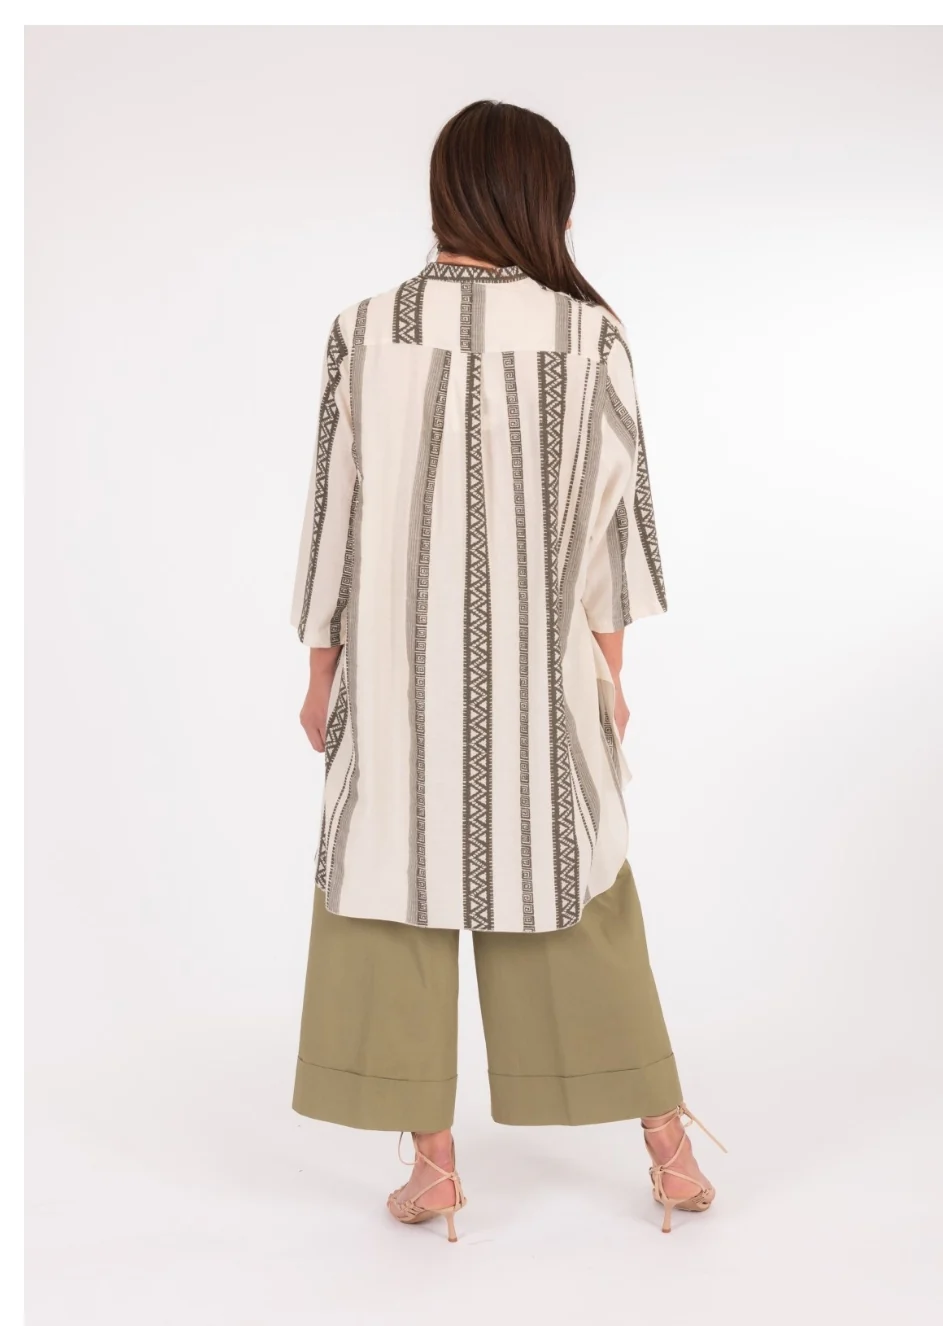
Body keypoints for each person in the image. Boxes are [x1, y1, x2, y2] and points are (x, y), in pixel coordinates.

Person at [289, 99, 724, 1240]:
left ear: (443, 193)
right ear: (545, 201)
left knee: (390, 890)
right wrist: (611, 678)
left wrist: (322, 671)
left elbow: (334, 519)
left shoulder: (363, 329)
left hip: (393, 680)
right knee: (575, 886)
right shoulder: (592, 336)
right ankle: (669, 1147)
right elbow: (616, 535)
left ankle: (434, 1173)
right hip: (546, 680)